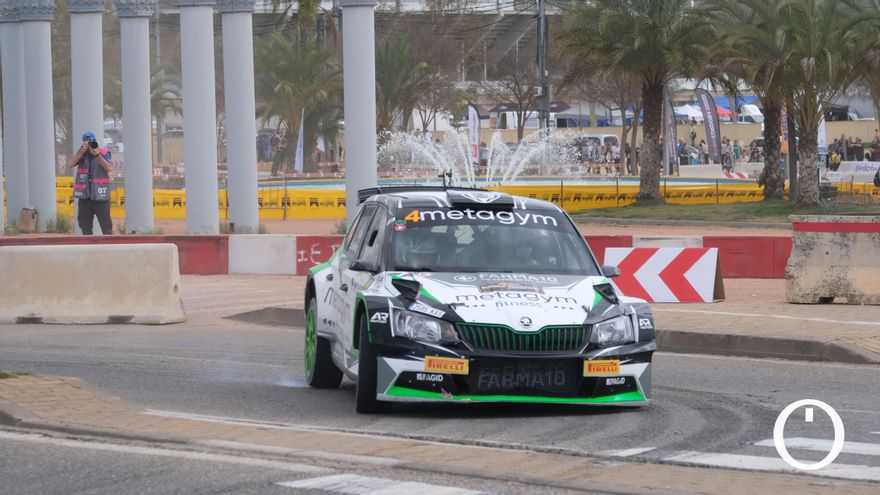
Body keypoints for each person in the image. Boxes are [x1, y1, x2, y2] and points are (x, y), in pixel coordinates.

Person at [68, 131, 113, 235]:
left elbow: (109, 168)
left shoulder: (104, 153)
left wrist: (97, 155)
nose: (90, 145)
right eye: (87, 143)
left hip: (101, 195)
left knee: (106, 225)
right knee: (84, 225)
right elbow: (70, 164)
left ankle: (109, 247)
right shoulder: (81, 154)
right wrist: (81, 152)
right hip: (85, 197)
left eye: (92, 142)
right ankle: (87, 247)